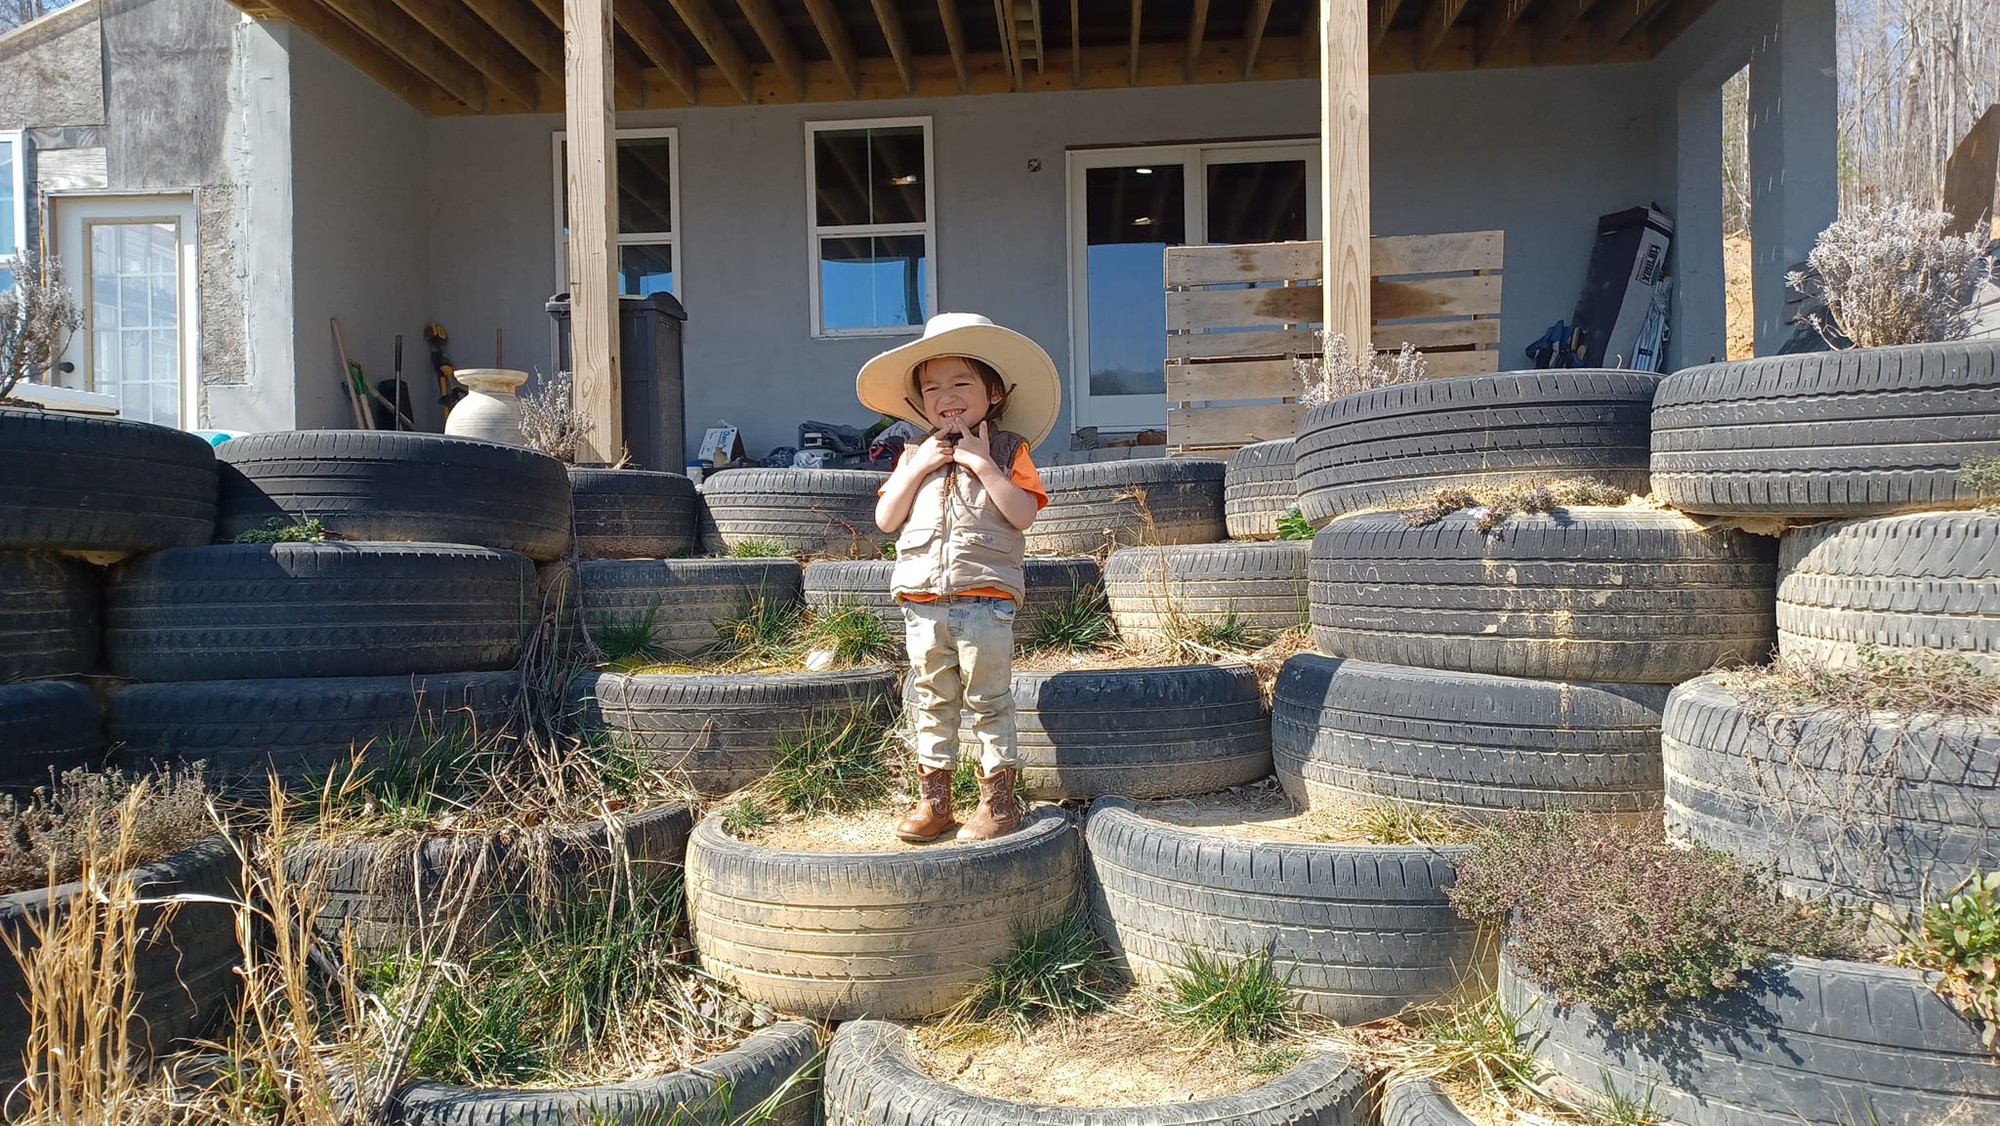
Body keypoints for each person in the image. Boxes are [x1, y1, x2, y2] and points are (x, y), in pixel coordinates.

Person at [856, 313, 1063, 842]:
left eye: (961, 382)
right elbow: (886, 520)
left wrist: (982, 465)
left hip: (985, 602)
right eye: (932, 388)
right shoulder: (912, 454)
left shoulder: (1009, 449)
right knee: (931, 698)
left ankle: (998, 805)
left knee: (988, 700)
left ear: (993, 392)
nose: (946, 395)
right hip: (922, 603)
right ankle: (935, 803)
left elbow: (1022, 514)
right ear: (919, 403)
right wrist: (920, 467)